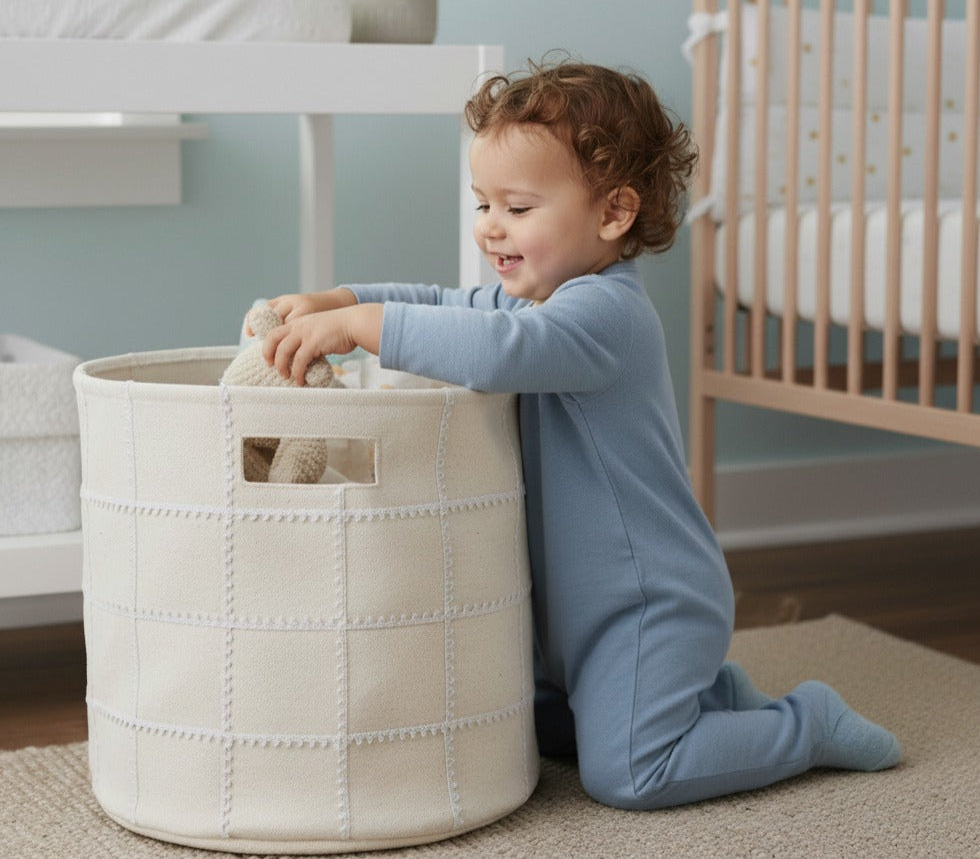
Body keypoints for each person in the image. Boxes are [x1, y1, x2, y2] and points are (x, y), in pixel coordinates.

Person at [259, 58, 901, 809]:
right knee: (517, 730)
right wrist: (341, 298)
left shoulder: (606, 315)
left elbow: (501, 354)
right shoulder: (531, 302)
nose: (491, 226)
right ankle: (714, 697)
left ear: (613, 213)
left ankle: (805, 724)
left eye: (519, 208)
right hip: (566, 610)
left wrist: (363, 327)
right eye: (483, 203)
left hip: (646, 600)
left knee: (630, 773)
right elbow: (446, 303)